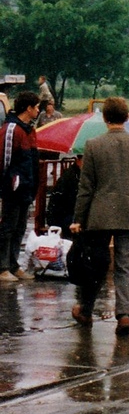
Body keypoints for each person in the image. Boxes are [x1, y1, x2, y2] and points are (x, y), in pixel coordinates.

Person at [70, 97, 129, 335]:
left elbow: (86, 188)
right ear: (127, 117)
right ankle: (125, 316)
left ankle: (86, 310)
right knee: (127, 265)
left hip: (101, 214)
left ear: (105, 119)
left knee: (96, 264)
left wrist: (78, 218)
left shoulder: (93, 145)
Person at [0, 92, 40, 282]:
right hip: (13, 188)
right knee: (8, 227)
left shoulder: (29, 130)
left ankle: (13, 264)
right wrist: (6, 183)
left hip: (26, 187)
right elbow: (4, 159)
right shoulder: (12, 129)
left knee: (19, 227)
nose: (38, 110)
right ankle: (3, 267)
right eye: (36, 107)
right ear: (28, 108)